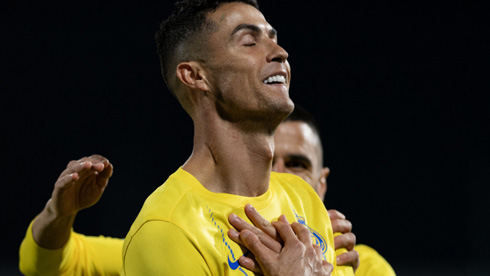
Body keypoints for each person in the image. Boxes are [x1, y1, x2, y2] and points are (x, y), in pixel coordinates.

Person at [121, 0, 355, 275]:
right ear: (195, 76)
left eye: (273, 38)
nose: (280, 52)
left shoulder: (304, 198)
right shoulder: (168, 230)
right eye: (249, 42)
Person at [272, 106, 396, 276]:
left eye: (296, 165)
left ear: (321, 184)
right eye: (267, 163)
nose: (278, 174)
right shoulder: (225, 248)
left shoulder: (366, 268)